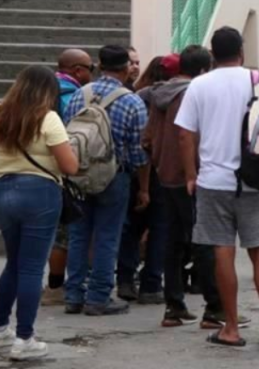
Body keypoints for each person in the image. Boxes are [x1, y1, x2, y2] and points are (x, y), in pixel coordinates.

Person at [175, 26, 259, 348]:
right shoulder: (258, 80)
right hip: (252, 180)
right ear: (242, 51)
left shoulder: (199, 84)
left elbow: (184, 133)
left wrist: (191, 174)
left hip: (213, 181)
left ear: (212, 53)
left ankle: (232, 327)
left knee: (223, 252)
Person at [0, 65, 79, 361]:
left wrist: (3, 173)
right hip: (41, 194)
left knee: (14, 263)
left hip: (3, 191)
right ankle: (24, 338)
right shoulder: (48, 118)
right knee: (31, 267)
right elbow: (70, 167)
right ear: (48, 91)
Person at [141, 46, 226, 328]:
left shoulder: (159, 94)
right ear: (204, 70)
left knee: (174, 241)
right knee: (203, 240)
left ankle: (173, 306)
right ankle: (214, 308)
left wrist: (159, 162)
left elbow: (148, 137)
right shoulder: (195, 93)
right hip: (192, 176)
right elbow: (188, 137)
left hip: (165, 174)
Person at [63, 45, 150, 316]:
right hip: (115, 175)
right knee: (107, 236)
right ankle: (99, 296)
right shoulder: (131, 101)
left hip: (79, 173)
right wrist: (144, 188)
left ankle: (74, 294)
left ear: (99, 66)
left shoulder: (79, 95)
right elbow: (139, 151)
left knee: (78, 234)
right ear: (126, 69)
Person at [41, 48, 95, 307]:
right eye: (89, 68)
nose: (90, 73)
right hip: (63, 170)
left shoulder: (40, 91)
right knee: (66, 233)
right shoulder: (73, 96)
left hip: (39, 170)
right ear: (77, 70)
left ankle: (53, 284)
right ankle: (57, 287)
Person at [116, 54, 171, 305]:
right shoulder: (177, 97)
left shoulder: (138, 95)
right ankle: (151, 283)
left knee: (130, 227)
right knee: (160, 228)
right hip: (163, 171)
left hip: (132, 169)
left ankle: (125, 279)